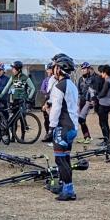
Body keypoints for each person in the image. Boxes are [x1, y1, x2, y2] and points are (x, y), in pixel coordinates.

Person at [45, 53, 81, 201]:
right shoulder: (71, 84)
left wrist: (51, 128)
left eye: (54, 67)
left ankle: (68, 189)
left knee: (61, 160)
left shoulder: (60, 86)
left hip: (63, 126)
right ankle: (66, 186)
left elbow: (56, 108)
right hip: (72, 125)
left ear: (59, 69)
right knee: (65, 158)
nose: (53, 69)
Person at [91, 64, 110, 147]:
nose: (101, 74)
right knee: (105, 123)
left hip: (104, 104)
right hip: (108, 104)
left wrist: (96, 96)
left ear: (105, 73)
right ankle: (107, 139)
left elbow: (103, 93)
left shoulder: (107, 81)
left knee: (102, 123)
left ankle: (106, 140)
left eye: (102, 73)